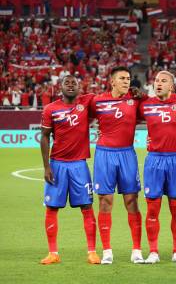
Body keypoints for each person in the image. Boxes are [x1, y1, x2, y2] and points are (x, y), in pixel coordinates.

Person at [39, 75, 100, 265]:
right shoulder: (51, 109)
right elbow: (44, 136)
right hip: (57, 164)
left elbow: (109, 99)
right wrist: (47, 166)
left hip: (79, 165)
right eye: (67, 83)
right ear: (60, 87)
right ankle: (53, 253)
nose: (71, 85)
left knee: (87, 206)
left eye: (75, 83)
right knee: (52, 207)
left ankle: (92, 252)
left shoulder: (87, 102)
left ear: (80, 87)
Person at [90, 66, 143, 265]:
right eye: (122, 78)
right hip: (104, 155)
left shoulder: (135, 100)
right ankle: (107, 251)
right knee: (105, 201)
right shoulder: (97, 101)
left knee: (132, 201)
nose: (126, 81)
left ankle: (136, 250)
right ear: (112, 81)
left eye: (128, 78)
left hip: (127, 154)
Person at [139, 71, 176, 264]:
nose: (158, 83)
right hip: (154, 161)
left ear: (172, 86)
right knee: (153, 209)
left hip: (175, 161)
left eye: (164, 81)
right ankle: (153, 252)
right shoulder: (145, 104)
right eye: (157, 81)